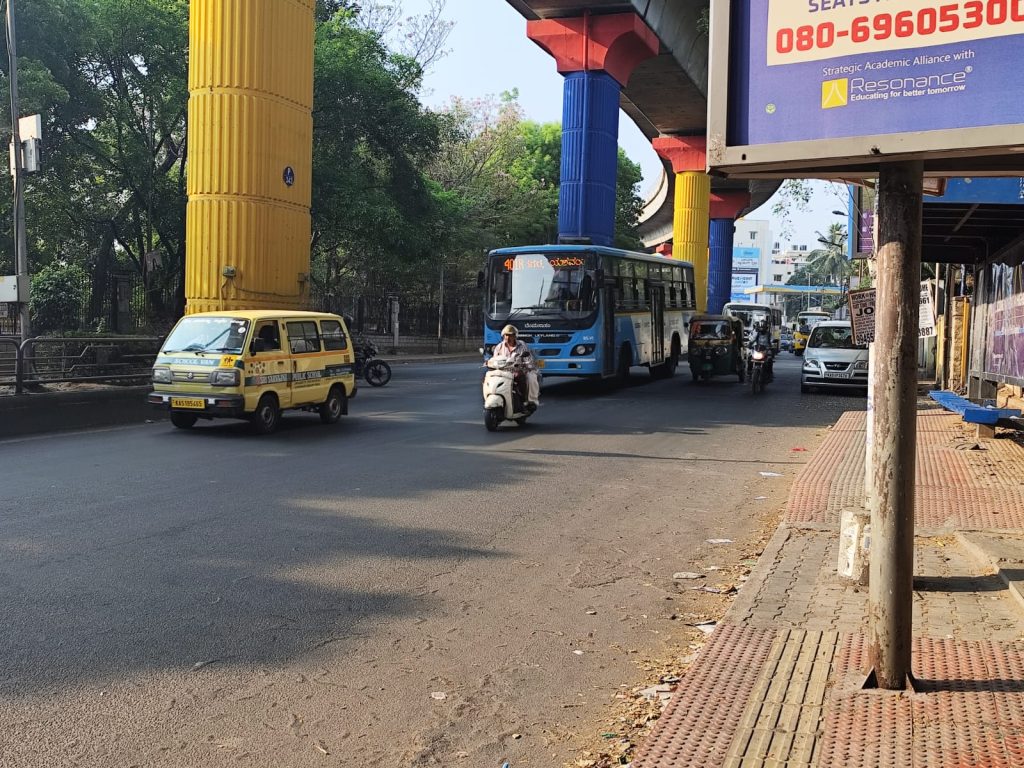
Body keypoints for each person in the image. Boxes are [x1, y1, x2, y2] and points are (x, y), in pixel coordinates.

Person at [490, 324, 539, 410]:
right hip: (504, 372)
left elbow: (528, 359)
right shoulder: (499, 347)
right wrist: (489, 362)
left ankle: (527, 400)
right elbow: (494, 360)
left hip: (519, 370)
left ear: (515, 336)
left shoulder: (522, 345)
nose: (508, 338)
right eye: (506, 335)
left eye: (510, 335)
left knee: (529, 378)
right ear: (503, 336)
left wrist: (525, 364)